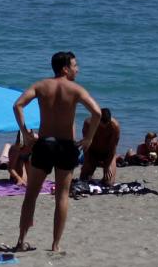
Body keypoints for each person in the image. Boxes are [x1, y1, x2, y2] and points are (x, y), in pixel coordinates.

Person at [11, 51, 103, 253]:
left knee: (31, 195)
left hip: (45, 144)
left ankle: (21, 240)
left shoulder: (41, 86)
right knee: (62, 196)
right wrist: (89, 138)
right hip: (65, 146)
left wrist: (26, 134)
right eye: (75, 65)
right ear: (65, 68)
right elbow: (97, 112)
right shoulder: (76, 89)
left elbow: (17, 105)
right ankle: (55, 245)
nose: (77, 69)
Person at [79, 108, 121, 185]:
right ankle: (90, 168)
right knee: (83, 180)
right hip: (93, 152)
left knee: (109, 183)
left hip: (107, 154)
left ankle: (106, 172)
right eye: (102, 123)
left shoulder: (115, 126)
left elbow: (113, 147)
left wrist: (107, 166)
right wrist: (86, 161)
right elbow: (86, 144)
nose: (104, 126)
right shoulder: (88, 123)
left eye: (107, 123)